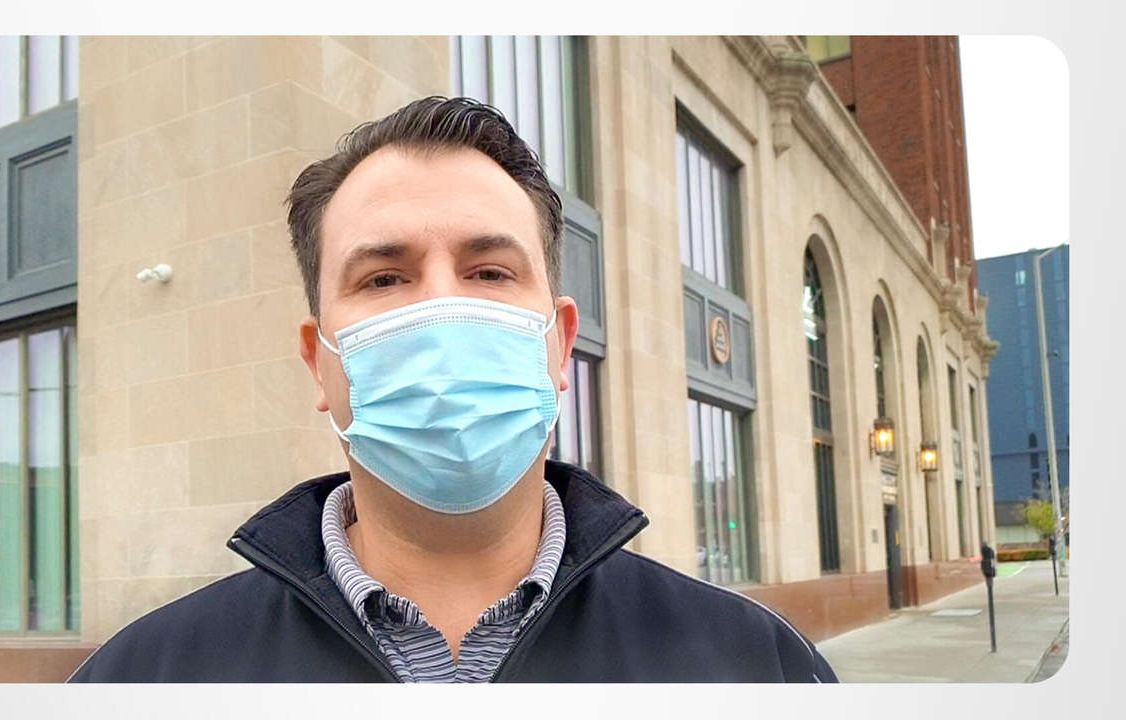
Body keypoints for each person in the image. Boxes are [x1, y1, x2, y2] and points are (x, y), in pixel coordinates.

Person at [68, 96, 838, 683]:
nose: (441, 310)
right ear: (318, 361)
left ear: (560, 344)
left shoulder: (759, 667)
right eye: (384, 278)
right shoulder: (143, 679)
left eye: (490, 272)